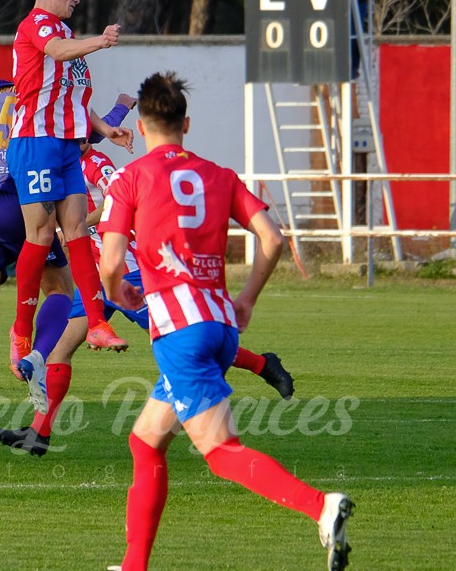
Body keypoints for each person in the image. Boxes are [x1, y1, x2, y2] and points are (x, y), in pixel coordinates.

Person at [98, 72, 353, 571]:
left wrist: (116, 291)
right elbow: (273, 239)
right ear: (185, 123)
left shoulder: (130, 179)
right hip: (219, 324)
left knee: (220, 452)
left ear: (144, 127)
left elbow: (110, 263)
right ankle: (133, 567)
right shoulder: (220, 175)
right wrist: (248, 298)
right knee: (146, 438)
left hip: (178, 332)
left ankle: (320, 506)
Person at [0, 124, 296, 456]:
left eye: (79, 136)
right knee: (59, 352)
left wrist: (78, 226)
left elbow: (114, 199)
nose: (74, 141)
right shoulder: (62, 166)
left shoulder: (96, 163)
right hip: (95, 280)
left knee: (184, 339)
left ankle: (262, 365)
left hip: (128, 275)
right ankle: (40, 432)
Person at [0, 80, 135, 450]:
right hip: (21, 197)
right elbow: (83, 132)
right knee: (61, 289)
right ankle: (35, 354)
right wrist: (121, 108)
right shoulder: (47, 94)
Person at [6, 0, 134, 388]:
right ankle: (22, 330)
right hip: (35, 142)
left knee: (78, 229)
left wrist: (104, 129)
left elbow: (74, 96)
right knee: (41, 238)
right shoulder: (37, 26)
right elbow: (58, 54)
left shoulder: (65, 37)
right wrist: (100, 41)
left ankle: (96, 322)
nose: (77, 0)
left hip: (64, 145)